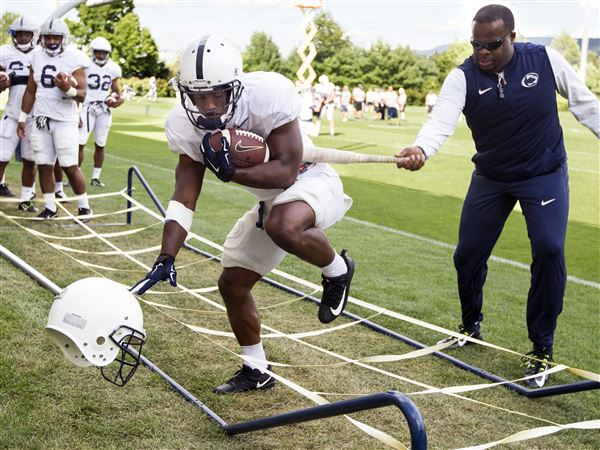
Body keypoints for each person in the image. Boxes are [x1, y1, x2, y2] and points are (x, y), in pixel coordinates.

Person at [130, 35, 354, 394]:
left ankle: (337, 271)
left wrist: (230, 171)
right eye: (197, 96)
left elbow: (285, 170)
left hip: (310, 179)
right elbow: (184, 195)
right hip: (270, 201)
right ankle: (257, 369)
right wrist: (166, 256)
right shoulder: (183, 125)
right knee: (232, 284)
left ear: (234, 85)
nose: (207, 105)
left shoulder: (267, 95)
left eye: (216, 94)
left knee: (284, 223)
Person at [396, 4, 600, 388]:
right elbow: (440, 120)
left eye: (491, 43)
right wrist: (421, 149)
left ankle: (541, 349)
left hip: (544, 174)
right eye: (476, 44)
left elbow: (587, 105)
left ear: (512, 38)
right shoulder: (463, 77)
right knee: (467, 255)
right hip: (491, 176)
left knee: (550, 249)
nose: (482, 51)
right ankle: (470, 326)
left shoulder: (544, 59)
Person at [18, 18, 92, 219]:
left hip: (64, 120)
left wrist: (68, 89)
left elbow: (83, 94)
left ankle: (84, 206)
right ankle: (50, 207)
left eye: (55, 37)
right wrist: (22, 118)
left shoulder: (74, 57)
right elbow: (31, 90)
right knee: (43, 164)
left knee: (69, 164)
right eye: (48, 37)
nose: (51, 41)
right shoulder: (35, 56)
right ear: (41, 38)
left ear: (63, 39)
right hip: (41, 119)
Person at [0, 16, 38, 211]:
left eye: (26, 34)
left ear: (33, 35)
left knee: (30, 160)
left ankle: (25, 199)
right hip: (12, 114)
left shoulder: (41, 54)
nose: (23, 37)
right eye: (19, 34)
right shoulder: (4, 53)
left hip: (35, 117)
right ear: (13, 35)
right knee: (1, 157)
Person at [78, 36, 124, 188]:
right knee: (80, 142)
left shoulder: (113, 68)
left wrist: (116, 98)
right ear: (92, 52)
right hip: (87, 107)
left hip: (104, 108)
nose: (101, 56)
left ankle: (96, 177)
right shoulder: (85, 65)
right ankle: (75, 175)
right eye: (98, 52)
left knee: (100, 143)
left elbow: (116, 91)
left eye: (104, 53)